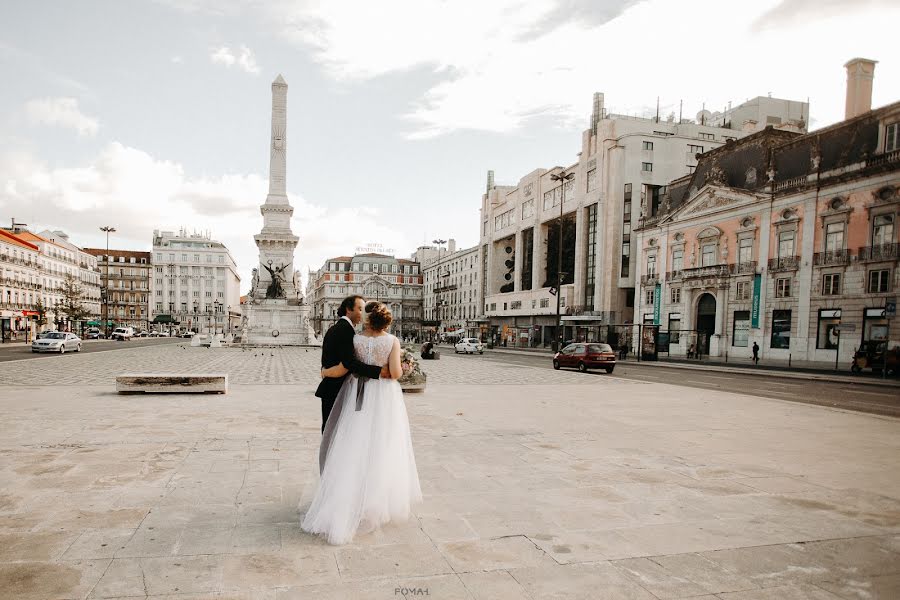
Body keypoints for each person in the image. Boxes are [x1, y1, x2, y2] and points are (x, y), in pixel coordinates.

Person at [302, 301, 422, 545]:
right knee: (381, 445)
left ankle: (348, 496)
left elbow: (350, 366)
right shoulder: (392, 341)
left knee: (353, 443)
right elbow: (397, 374)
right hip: (384, 397)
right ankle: (374, 501)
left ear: (367, 319)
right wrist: (399, 368)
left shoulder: (355, 340)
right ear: (387, 321)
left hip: (356, 394)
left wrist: (326, 371)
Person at [315, 296, 389, 433]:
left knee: (332, 430)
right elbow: (349, 362)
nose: (363, 313)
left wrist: (325, 371)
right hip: (335, 388)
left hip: (333, 385)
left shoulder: (341, 328)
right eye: (360, 309)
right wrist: (379, 371)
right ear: (349, 310)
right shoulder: (344, 330)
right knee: (332, 431)